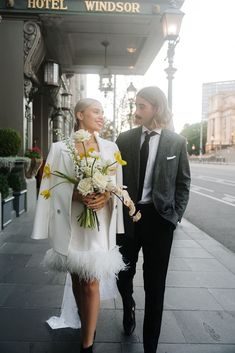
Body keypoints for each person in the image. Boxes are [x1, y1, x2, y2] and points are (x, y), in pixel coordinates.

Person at [31, 98, 126, 353]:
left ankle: (88, 343)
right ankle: (86, 322)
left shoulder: (110, 147)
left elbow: (116, 185)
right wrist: (76, 194)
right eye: (96, 111)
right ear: (79, 114)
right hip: (71, 221)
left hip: (97, 225)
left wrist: (105, 195)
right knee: (77, 278)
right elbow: (51, 185)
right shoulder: (60, 148)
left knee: (91, 282)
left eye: (103, 112)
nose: (101, 116)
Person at [116, 86, 191, 353]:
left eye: (142, 107)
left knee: (155, 285)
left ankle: (151, 347)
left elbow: (183, 182)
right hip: (127, 218)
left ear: (156, 109)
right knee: (122, 275)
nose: (136, 112)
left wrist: (174, 217)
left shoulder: (176, 142)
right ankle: (128, 305)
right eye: (135, 106)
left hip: (160, 221)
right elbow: (115, 177)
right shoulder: (124, 139)